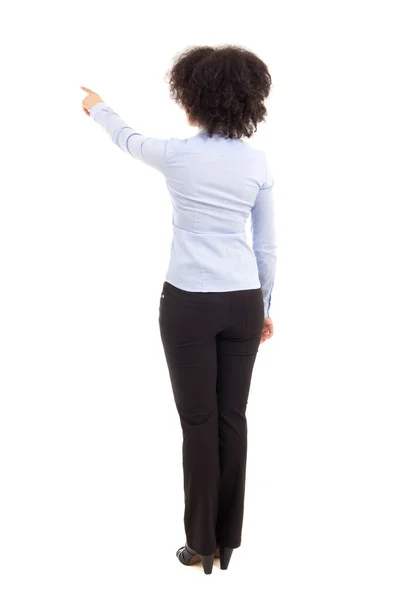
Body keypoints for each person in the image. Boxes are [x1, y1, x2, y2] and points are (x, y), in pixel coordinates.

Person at [81, 43, 277, 575]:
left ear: (193, 97)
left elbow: (125, 137)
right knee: (232, 419)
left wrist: (98, 106)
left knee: (198, 422)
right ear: (247, 101)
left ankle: (200, 547)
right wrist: (264, 305)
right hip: (241, 301)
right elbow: (266, 247)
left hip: (187, 303)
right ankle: (229, 541)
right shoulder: (257, 162)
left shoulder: (176, 154)